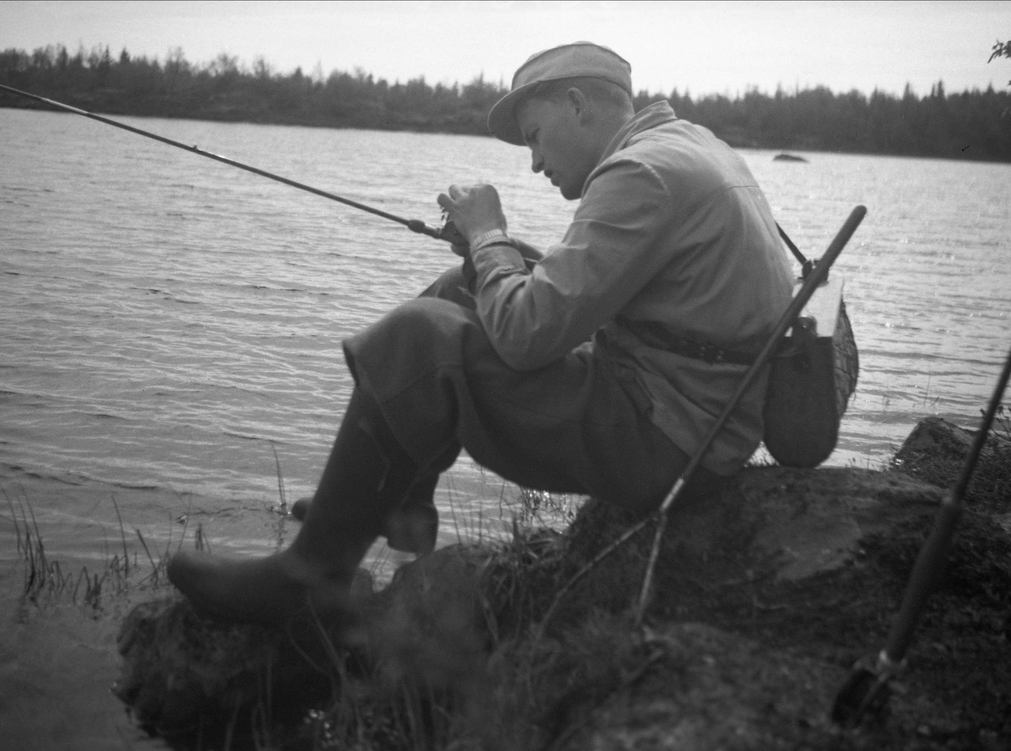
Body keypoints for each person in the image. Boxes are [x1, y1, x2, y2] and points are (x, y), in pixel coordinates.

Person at [167, 42, 794, 625]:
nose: (535, 162)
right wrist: (485, 254)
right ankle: (400, 508)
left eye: (535, 138)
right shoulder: (686, 145)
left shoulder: (641, 173)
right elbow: (619, 290)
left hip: (667, 440)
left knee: (421, 334)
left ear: (577, 105)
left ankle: (308, 578)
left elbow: (526, 335)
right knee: (455, 287)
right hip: (694, 410)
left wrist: (490, 233)